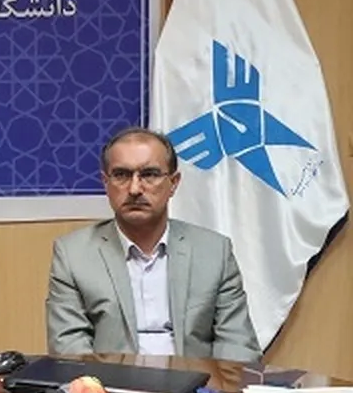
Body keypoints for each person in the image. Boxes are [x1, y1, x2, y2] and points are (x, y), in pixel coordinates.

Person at [45, 127, 261, 362]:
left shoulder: (214, 252)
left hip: (197, 382)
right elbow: (70, 349)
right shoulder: (73, 255)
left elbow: (237, 345)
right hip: (112, 381)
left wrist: (216, 385)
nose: (134, 189)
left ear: (174, 183)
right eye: (121, 175)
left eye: (149, 174)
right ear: (105, 183)